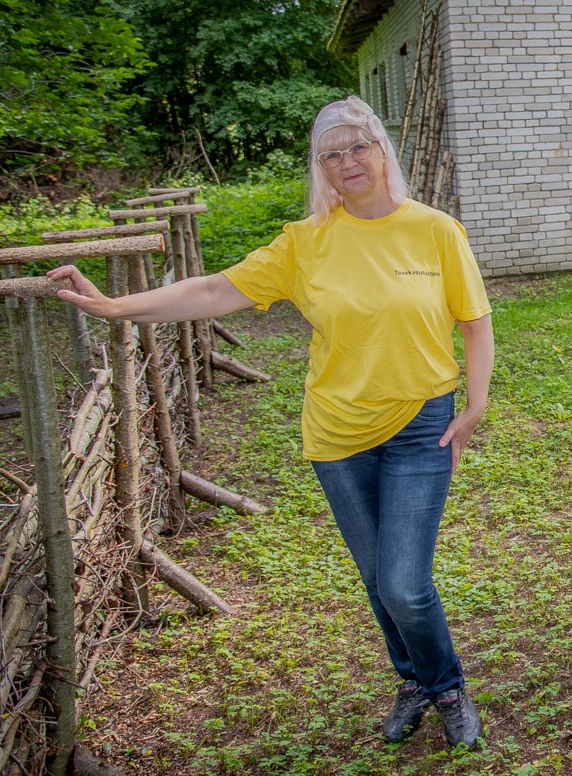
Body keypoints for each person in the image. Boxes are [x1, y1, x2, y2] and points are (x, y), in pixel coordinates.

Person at [50, 96, 494, 750]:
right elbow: (210, 291)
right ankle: (414, 680)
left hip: (419, 428)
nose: (348, 162)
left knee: (405, 581)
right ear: (320, 167)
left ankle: (447, 687)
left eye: (358, 147)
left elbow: (475, 324)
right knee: (377, 580)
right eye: (332, 154)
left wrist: (475, 405)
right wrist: (117, 306)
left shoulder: (434, 230)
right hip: (337, 438)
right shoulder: (305, 243)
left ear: (382, 150)